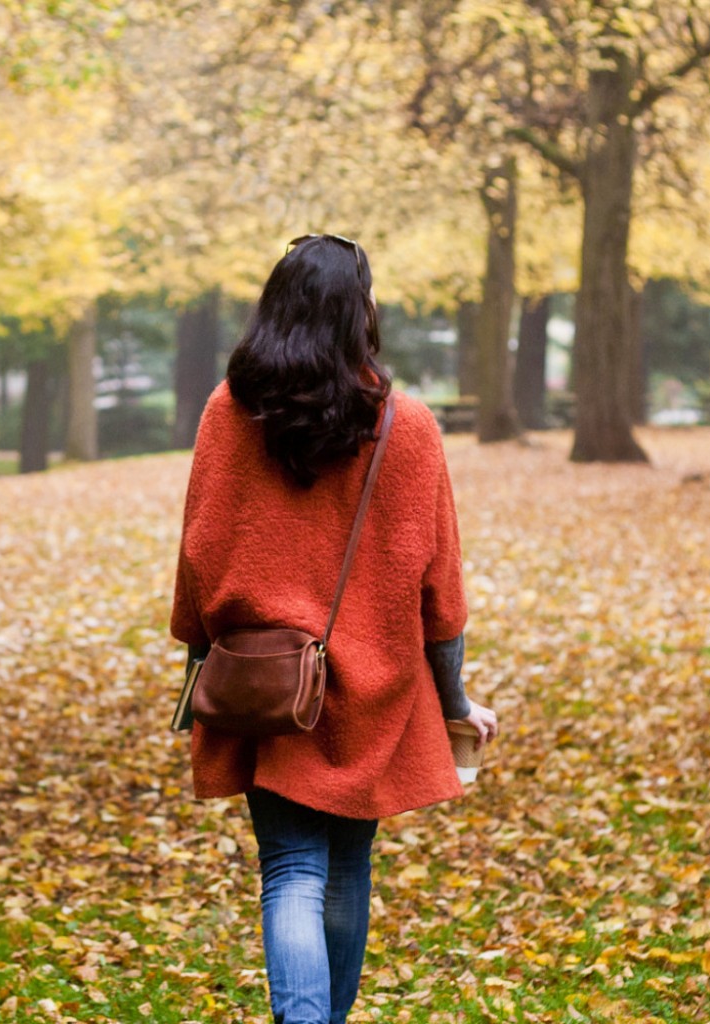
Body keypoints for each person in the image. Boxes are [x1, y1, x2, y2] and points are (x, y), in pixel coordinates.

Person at [170, 233, 498, 1024]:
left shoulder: (229, 411)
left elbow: (199, 550)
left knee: (290, 868)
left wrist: (196, 663)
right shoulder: (406, 426)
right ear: (363, 313)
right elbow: (440, 585)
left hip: (265, 680)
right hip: (375, 684)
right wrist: (454, 697)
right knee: (347, 867)